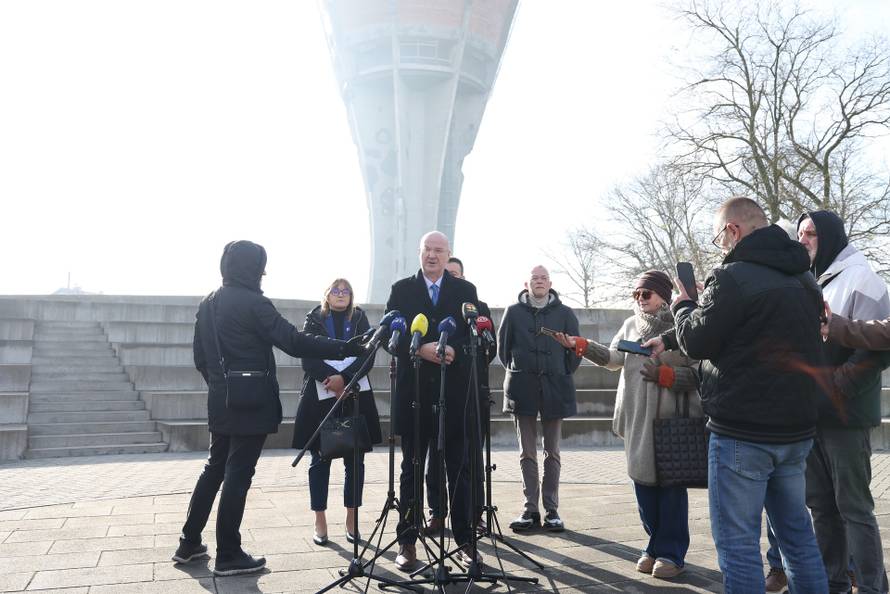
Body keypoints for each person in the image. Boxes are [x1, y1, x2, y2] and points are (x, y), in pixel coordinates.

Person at [649, 197, 829, 592]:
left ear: (733, 230)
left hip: (743, 433)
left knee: (738, 544)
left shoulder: (732, 276)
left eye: (719, 238)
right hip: (796, 430)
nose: (721, 247)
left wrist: (683, 307)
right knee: (797, 538)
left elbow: (697, 341)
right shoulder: (804, 278)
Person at [174, 240, 368, 577]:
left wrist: (222, 384)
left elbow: (199, 358)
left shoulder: (208, 302)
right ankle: (229, 553)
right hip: (251, 402)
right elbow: (292, 341)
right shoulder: (254, 303)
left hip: (221, 400)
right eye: (261, 266)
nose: (264, 273)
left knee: (215, 467)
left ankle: (188, 542)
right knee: (238, 473)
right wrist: (343, 348)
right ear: (252, 268)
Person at [551, 270, 700, 579]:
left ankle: (671, 553)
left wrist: (668, 376)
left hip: (671, 423)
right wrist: (580, 345)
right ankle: (654, 544)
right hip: (636, 420)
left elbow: (701, 374)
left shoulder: (683, 326)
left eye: (646, 294)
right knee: (643, 488)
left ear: (663, 295)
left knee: (670, 490)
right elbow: (612, 358)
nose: (640, 299)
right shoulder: (631, 325)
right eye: (636, 294)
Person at [795, 211, 890, 594]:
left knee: (854, 510)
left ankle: (872, 587)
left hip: (844, 415)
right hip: (813, 413)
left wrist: (838, 385)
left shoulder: (860, 276)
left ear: (830, 236)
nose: (803, 241)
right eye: (800, 234)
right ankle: (832, 583)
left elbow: (880, 349)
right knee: (821, 506)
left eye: (811, 234)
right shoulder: (810, 279)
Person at [385, 231, 481, 570]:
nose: (433, 255)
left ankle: (467, 541)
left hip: (453, 395)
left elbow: (476, 335)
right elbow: (389, 337)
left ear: (448, 254)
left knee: (459, 470)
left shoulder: (465, 291)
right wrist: (421, 348)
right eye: (427, 249)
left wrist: (455, 347)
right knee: (411, 470)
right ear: (419, 252)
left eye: (439, 250)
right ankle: (407, 542)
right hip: (415, 396)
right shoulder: (401, 289)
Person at [291, 278, 383, 546]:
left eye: (346, 291)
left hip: (355, 395)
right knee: (319, 461)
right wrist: (331, 379)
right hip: (320, 396)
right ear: (327, 295)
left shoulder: (360, 318)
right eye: (336, 290)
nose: (341, 294)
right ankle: (320, 521)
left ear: (351, 296)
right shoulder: (314, 318)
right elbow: (306, 355)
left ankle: (351, 519)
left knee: (355, 462)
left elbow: (369, 354)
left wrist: (346, 379)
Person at [498, 265, 581, 533]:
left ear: (550, 283)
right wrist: (519, 369)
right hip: (522, 387)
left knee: (552, 452)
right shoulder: (513, 312)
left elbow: (575, 349)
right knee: (527, 452)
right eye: (535, 278)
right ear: (527, 283)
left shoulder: (565, 313)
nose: (540, 282)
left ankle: (552, 509)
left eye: (544, 278)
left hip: (555, 386)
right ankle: (530, 509)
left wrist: (561, 371)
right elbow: (503, 349)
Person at [424, 257, 496, 536]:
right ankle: (437, 512)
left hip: (469, 394)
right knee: (434, 459)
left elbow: (490, 351)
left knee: (470, 461)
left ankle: (473, 514)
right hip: (437, 393)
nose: (451, 278)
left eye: (456, 275)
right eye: (447, 274)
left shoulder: (479, 309)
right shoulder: (435, 311)